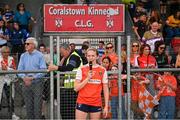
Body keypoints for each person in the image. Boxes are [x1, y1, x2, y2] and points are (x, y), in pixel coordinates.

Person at [74, 48, 109, 119]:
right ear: (86, 56)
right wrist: (87, 79)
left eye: (93, 56)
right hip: (82, 101)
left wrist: (106, 106)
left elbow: (105, 89)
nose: (91, 58)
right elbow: (76, 88)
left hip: (96, 102)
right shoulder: (81, 69)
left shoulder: (102, 70)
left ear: (97, 56)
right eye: (89, 56)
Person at [17, 37, 47, 119]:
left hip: (37, 83)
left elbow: (43, 70)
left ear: (33, 45)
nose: (25, 45)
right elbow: (19, 70)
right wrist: (24, 78)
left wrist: (32, 78)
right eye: (25, 43)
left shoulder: (40, 55)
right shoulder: (23, 56)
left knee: (37, 106)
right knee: (28, 105)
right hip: (25, 83)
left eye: (27, 43)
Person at [0, 46, 19, 119]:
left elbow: (14, 70)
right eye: (5, 52)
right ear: (1, 53)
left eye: (8, 52)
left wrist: (7, 69)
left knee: (10, 98)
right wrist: (8, 69)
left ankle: (12, 114)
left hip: (9, 81)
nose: (6, 54)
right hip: (1, 80)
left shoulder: (11, 59)